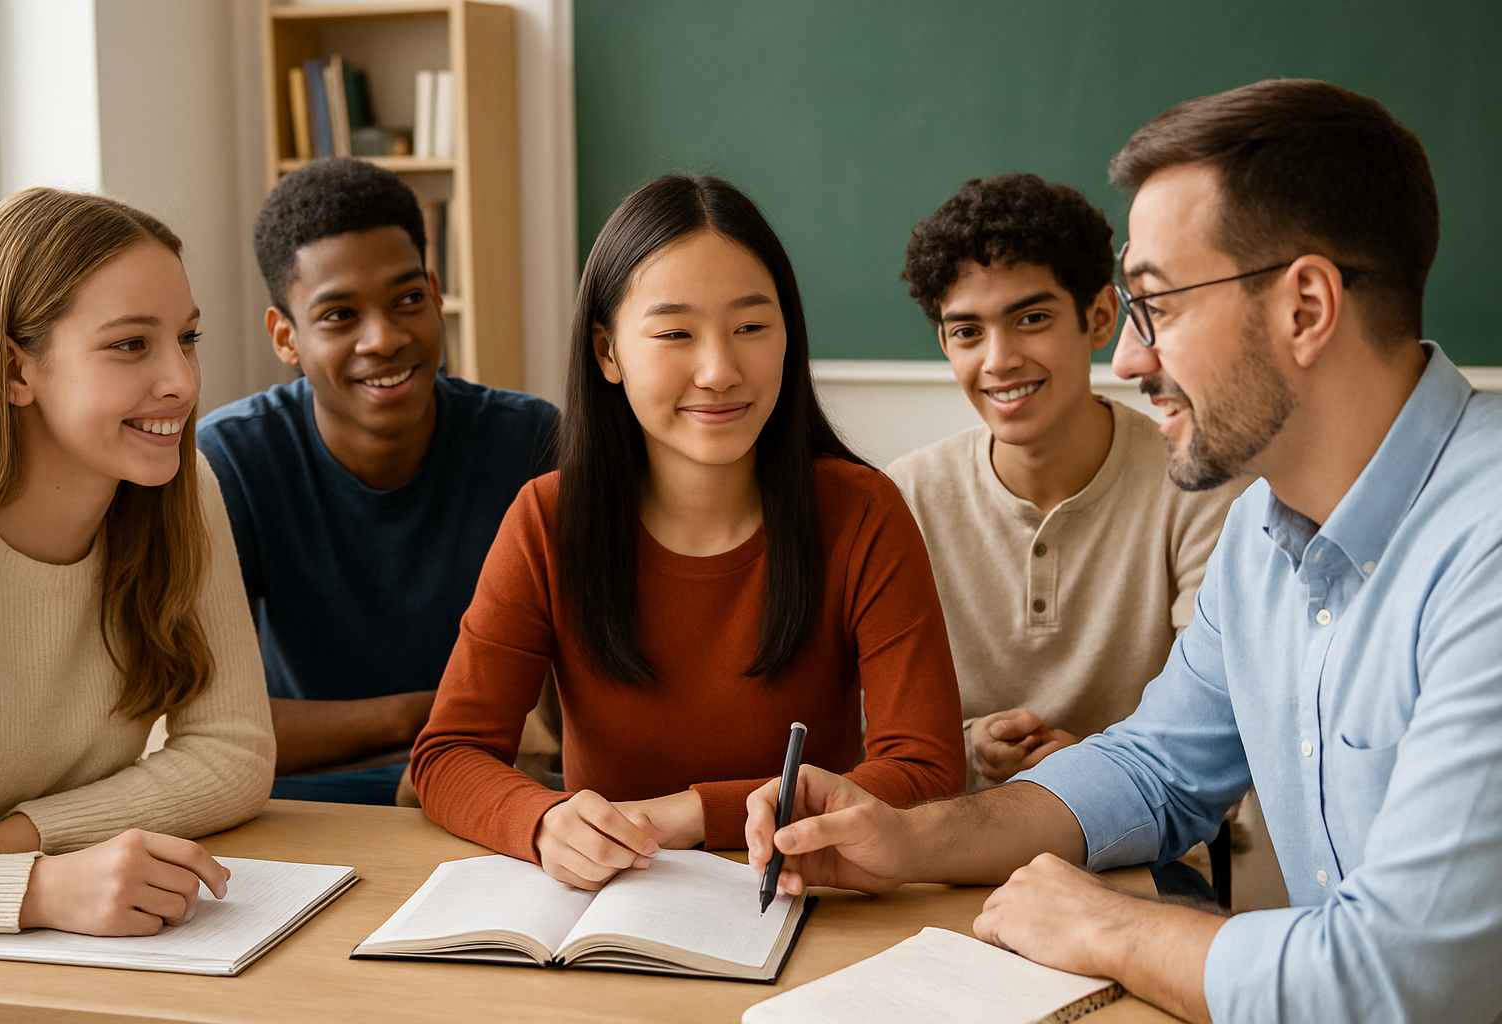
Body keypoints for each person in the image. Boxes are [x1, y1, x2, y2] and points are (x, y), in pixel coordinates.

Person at [747, 79, 1502, 1024]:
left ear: (1306, 307)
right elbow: (1152, 769)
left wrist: (1107, 927)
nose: (1133, 360)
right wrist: (909, 837)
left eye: (1158, 307)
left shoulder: (1486, 551)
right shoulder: (1262, 538)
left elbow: (1404, 980)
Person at [412, 175, 965, 889]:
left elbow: (926, 773)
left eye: (751, 328)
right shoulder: (548, 519)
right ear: (607, 353)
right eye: (676, 333)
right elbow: (449, 753)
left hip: (807, 902)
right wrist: (542, 821)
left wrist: (692, 816)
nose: (719, 370)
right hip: (608, 917)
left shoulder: (864, 512)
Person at [198, 158, 559, 805]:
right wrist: (428, 717)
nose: (385, 338)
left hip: (493, 792)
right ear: (286, 337)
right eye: (339, 315)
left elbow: (573, 700)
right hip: (314, 808)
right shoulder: (232, 461)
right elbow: (208, 729)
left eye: (408, 300)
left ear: (436, 291)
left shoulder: (528, 442)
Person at [0, 188, 274, 935]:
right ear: (15, 370)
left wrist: (18, 845)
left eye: (188, 338)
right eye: (131, 344)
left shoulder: (178, 490)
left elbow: (233, 753)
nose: (183, 382)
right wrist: (33, 892)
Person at [888, 174, 1243, 792]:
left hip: (1143, 844)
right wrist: (969, 745)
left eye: (1030, 318)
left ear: (1100, 316)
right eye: (968, 332)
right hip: (944, 851)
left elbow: (1215, 725)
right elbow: (871, 723)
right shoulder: (902, 498)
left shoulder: (1197, 486)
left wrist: (1091, 765)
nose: (998, 360)